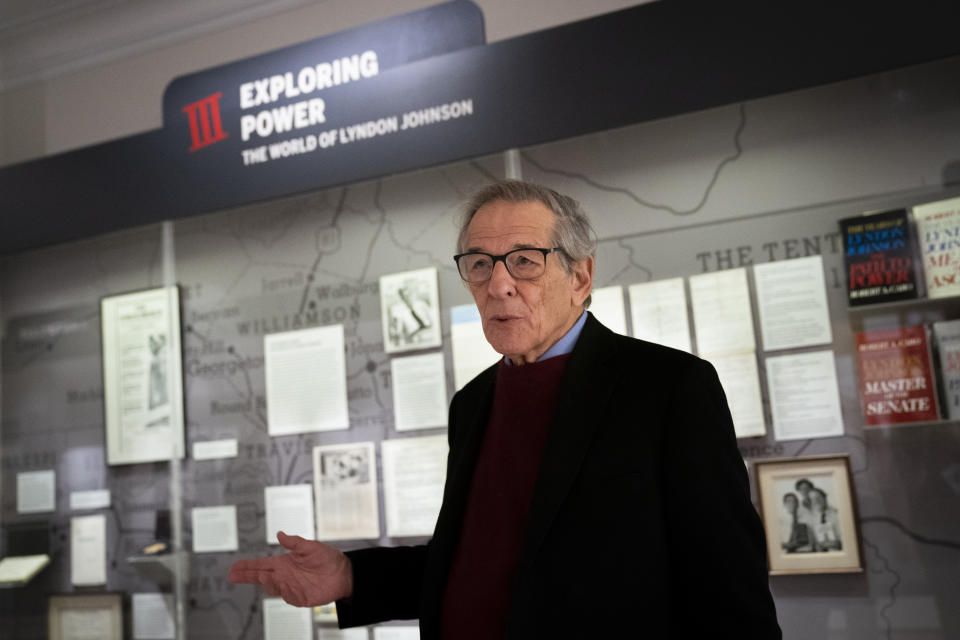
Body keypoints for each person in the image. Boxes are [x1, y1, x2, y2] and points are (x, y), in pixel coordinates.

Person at [228, 180, 781, 638]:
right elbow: (481, 561)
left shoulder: (668, 387)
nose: (498, 285)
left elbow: (727, 588)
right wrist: (350, 574)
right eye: (479, 264)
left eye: (524, 261)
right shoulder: (473, 403)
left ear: (581, 276)